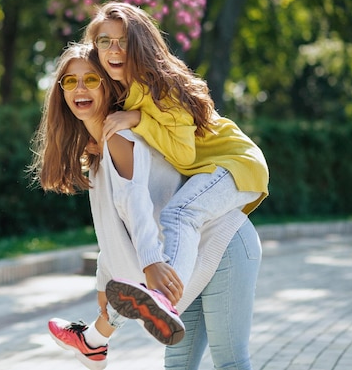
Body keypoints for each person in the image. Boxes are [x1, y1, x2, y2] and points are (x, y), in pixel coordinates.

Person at [29, 42, 262, 370]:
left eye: (91, 80)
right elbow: (114, 232)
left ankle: (92, 343)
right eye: (70, 81)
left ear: (108, 85)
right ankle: (93, 343)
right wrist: (103, 285)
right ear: (61, 93)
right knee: (178, 365)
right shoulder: (98, 155)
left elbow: (136, 208)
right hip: (181, 269)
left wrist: (150, 265)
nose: (79, 89)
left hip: (223, 245)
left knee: (230, 361)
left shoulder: (121, 140)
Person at [80, 0, 269, 345]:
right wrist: (103, 279)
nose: (114, 49)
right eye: (104, 41)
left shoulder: (160, 85)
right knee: (174, 219)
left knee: (180, 213)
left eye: (122, 40)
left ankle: (163, 301)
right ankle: (102, 334)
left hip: (234, 163)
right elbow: (120, 208)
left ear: (140, 44)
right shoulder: (127, 94)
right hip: (208, 170)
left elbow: (182, 153)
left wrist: (138, 120)